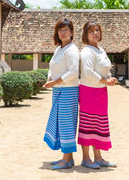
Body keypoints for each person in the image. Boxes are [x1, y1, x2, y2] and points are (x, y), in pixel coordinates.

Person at [78, 21, 117, 169]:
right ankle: (86, 158)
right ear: (86, 35)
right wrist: (105, 80)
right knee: (88, 124)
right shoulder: (87, 51)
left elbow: (106, 66)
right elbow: (88, 72)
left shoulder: (101, 50)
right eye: (91, 31)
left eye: (97, 30)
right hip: (88, 90)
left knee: (99, 124)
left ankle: (99, 157)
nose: (95, 33)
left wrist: (109, 77)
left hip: (100, 91)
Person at [43, 18, 80, 170]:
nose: (63, 33)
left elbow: (73, 72)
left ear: (72, 33)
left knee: (66, 124)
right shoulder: (58, 49)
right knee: (60, 122)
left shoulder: (72, 50)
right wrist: (49, 77)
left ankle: (66, 160)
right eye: (60, 30)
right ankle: (68, 157)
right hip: (58, 89)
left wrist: (55, 82)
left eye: (66, 30)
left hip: (68, 90)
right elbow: (52, 66)